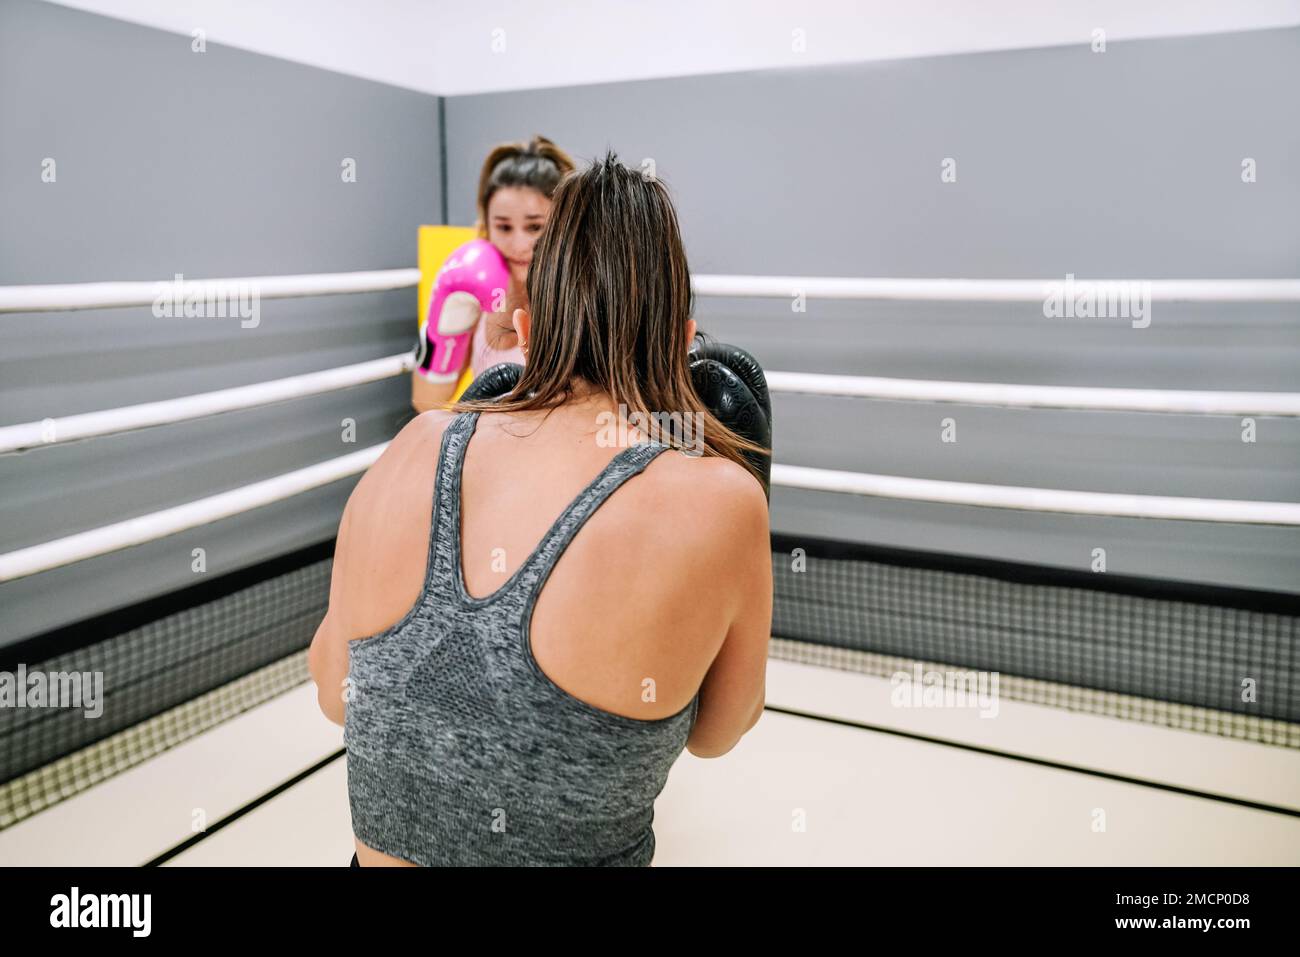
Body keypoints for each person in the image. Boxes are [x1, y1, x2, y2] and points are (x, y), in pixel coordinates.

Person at [311, 152, 772, 867]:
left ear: (525, 333)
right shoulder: (722, 500)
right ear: (684, 342)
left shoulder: (413, 445)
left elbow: (334, 697)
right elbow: (720, 731)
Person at [410, 135, 575, 413]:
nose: (519, 245)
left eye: (535, 227)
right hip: (486, 450)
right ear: (486, 224)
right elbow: (427, 404)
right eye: (504, 227)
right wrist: (444, 325)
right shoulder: (474, 291)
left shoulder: (580, 301)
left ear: (562, 224)